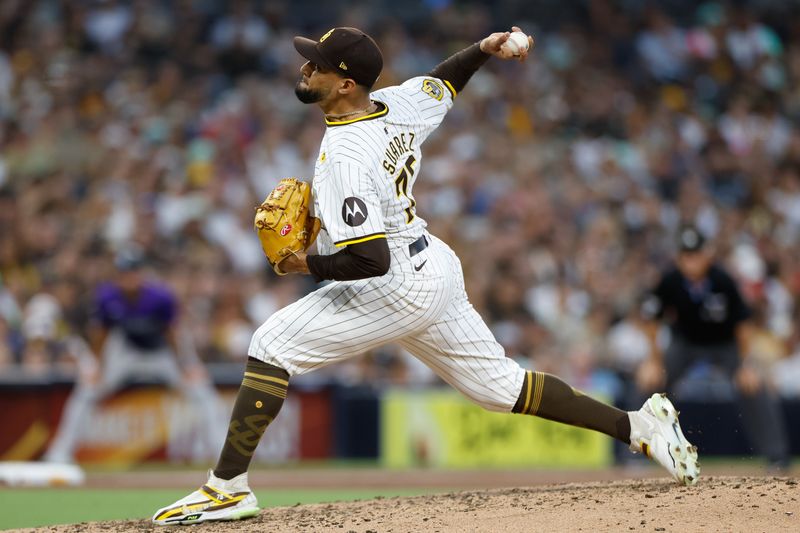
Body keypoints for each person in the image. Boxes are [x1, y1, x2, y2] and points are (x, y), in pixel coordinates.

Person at [153, 26, 699, 525]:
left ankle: (226, 487)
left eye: (315, 65)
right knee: (500, 388)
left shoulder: (346, 154)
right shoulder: (396, 103)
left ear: (344, 84)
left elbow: (370, 262)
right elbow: (445, 81)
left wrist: (302, 265)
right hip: (433, 264)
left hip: (394, 281)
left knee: (271, 344)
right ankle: (639, 427)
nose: (305, 70)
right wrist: (483, 49)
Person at [44, 247, 222, 465]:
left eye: (133, 271)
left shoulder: (160, 296)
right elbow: (101, 334)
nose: (129, 277)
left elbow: (173, 334)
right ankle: (60, 453)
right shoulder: (107, 295)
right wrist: (96, 368)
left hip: (160, 352)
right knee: (87, 389)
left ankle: (222, 452)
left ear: (141, 272)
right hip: (125, 352)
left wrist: (186, 365)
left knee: (201, 389)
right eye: (124, 272)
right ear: (117, 274)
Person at [637, 225, 790, 468]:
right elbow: (652, 320)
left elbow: (743, 325)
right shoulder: (670, 281)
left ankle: (776, 455)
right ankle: (636, 453)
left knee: (753, 385)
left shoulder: (722, 280)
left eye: (696, 254)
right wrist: (653, 361)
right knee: (648, 382)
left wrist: (746, 364)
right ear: (679, 257)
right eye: (687, 255)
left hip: (725, 345)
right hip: (685, 344)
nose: (692, 261)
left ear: (707, 254)